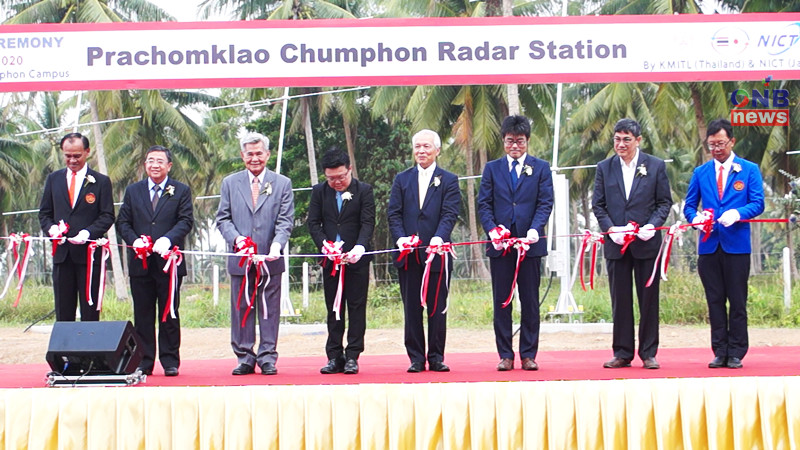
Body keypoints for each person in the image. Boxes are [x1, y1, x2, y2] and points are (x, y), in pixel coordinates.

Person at [592, 118, 673, 370]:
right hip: (617, 244)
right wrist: (610, 229)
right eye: (617, 139)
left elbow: (664, 202)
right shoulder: (604, 168)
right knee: (620, 299)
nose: (621, 144)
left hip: (646, 244)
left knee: (648, 298)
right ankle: (622, 352)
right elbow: (598, 204)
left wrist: (652, 224)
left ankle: (648, 352)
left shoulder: (655, 166)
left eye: (627, 139)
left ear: (638, 140)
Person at [684, 118, 764, 369]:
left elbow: (758, 203)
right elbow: (689, 205)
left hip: (737, 246)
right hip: (709, 246)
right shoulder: (701, 173)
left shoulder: (748, 169)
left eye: (720, 144)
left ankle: (737, 351)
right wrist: (695, 219)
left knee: (737, 300)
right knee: (715, 300)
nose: (716, 149)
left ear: (732, 141)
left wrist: (738, 213)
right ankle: (719, 350)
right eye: (711, 145)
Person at [477, 115, 554, 371]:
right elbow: (484, 204)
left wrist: (535, 229)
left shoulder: (541, 168)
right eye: (510, 141)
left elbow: (545, 202)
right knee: (502, 301)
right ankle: (505, 355)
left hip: (529, 246)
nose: (515, 147)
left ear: (527, 141)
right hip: (501, 248)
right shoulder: (492, 168)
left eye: (520, 142)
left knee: (530, 301)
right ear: (503, 141)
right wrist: (492, 231)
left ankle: (529, 354)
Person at [216, 132, 294, 376]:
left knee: (269, 309)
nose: (255, 158)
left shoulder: (282, 183)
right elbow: (223, 218)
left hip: (270, 259)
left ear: (267, 154)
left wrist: (277, 245)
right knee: (241, 308)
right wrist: (237, 239)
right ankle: (244, 356)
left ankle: (268, 356)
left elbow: (285, 220)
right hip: (240, 258)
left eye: (259, 153)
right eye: (249, 154)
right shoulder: (230, 183)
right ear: (242, 156)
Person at [116, 146, 194, 377]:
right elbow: (123, 222)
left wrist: (168, 239)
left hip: (169, 264)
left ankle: (170, 361)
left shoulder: (180, 190)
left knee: (169, 313)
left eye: (160, 161)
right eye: (150, 160)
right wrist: (134, 240)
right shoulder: (133, 191)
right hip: (141, 264)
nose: (155, 165)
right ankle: (144, 361)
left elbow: (186, 220)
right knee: (142, 314)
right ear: (145, 165)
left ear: (169, 166)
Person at [387, 130, 461, 373]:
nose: (421, 151)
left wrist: (439, 238)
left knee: (437, 307)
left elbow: (450, 213)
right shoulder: (402, 179)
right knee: (412, 308)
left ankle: (437, 356)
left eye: (427, 146)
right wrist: (400, 239)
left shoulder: (448, 180)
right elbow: (394, 213)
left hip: (436, 255)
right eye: (417, 146)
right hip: (408, 256)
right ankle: (416, 358)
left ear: (437, 150)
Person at [308, 148, 375, 375]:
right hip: (331, 262)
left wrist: (359, 247)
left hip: (355, 260)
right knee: (333, 309)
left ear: (350, 170)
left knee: (356, 307)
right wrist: (324, 245)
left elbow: (367, 223)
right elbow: (314, 223)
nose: (336, 182)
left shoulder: (364, 191)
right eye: (331, 178)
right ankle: (334, 356)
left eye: (341, 177)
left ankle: (353, 356)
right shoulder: (319, 192)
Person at [39, 132, 115, 322]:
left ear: (87, 152)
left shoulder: (101, 181)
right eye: (68, 156)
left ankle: (89, 351)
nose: (72, 160)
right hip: (62, 255)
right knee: (64, 310)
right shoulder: (53, 179)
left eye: (77, 155)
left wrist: (87, 232)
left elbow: (107, 216)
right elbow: (45, 214)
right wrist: (52, 230)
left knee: (90, 309)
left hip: (89, 257)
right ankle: (65, 352)